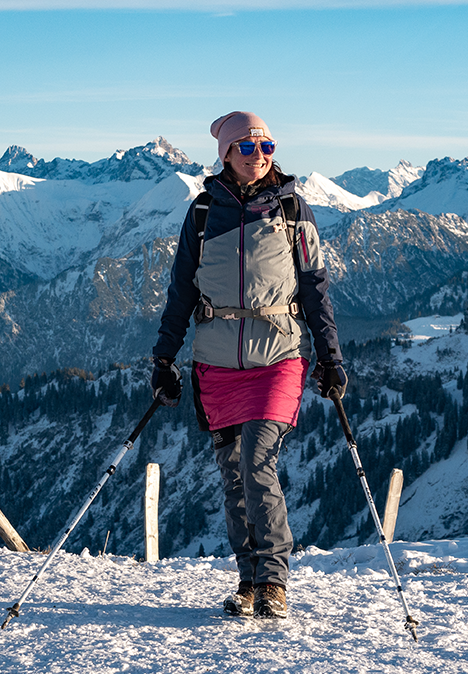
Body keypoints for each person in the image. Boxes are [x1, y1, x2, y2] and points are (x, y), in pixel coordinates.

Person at [150, 111, 347, 619]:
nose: (259, 156)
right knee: (233, 475)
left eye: (267, 147)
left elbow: (315, 286)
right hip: (215, 362)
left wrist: (330, 357)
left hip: (278, 355)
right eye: (247, 147)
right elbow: (179, 294)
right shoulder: (200, 215)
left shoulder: (292, 209)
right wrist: (164, 358)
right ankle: (247, 580)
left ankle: (274, 580)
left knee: (259, 463)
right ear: (226, 154)